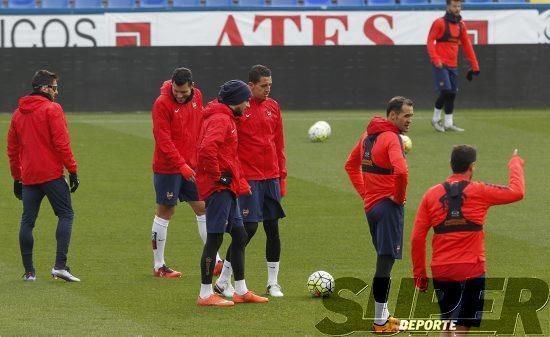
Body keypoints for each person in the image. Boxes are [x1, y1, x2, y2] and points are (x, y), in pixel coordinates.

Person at [411, 146, 524, 336]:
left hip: (441, 269)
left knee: (446, 323)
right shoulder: (480, 190)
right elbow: (517, 191)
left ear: (451, 165)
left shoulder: (431, 194)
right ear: (472, 166)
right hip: (471, 269)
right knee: (462, 327)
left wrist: (420, 276)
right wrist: (515, 163)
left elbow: (417, 237)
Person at [214, 65, 287, 298]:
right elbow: (229, 144)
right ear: (251, 85)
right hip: (249, 179)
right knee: (248, 230)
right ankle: (225, 278)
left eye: (270, 85)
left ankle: (273, 283)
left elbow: (279, 144)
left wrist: (281, 177)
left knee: (273, 228)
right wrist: (237, 176)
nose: (268, 90)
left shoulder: (273, 107)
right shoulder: (239, 110)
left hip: (271, 177)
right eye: (263, 85)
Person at [195, 80, 269, 307]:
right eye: (246, 100)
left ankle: (240, 290)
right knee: (215, 238)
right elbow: (207, 148)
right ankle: (205, 294)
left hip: (228, 186)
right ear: (236, 100)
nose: (248, 104)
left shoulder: (226, 117)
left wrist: (237, 181)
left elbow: (224, 153)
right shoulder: (221, 119)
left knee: (240, 235)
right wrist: (219, 176)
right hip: (219, 188)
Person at [344, 96, 414, 333]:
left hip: (372, 208)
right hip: (388, 208)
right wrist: (399, 196)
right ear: (392, 115)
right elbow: (402, 172)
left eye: (411, 116)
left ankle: (383, 315)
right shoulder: (391, 138)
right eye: (406, 116)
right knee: (385, 264)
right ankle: (380, 322)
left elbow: (350, 165)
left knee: (384, 261)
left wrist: (365, 193)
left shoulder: (368, 135)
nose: (409, 120)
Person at [7, 69, 80, 282]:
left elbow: (12, 149)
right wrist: (73, 170)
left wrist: (16, 177)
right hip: (52, 175)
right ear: (44, 88)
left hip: (29, 177)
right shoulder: (52, 109)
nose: (57, 92)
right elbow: (62, 144)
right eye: (55, 88)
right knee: (66, 214)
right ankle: (59, 266)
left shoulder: (17, 113)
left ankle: (29, 273)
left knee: (27, 222)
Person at [151, 67, 224, 278]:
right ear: (172, 85)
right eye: (176, 91)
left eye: (183, 92)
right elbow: (163, 139)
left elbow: (199, 123)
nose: (179, 95)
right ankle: (159, 266)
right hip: (168, 168)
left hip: (191, 166)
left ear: (192, 86)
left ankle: (216, 260)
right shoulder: (162, 103)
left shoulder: (198, 96)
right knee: (166, 212)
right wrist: (181, 164)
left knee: (202, 207)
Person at [427, 0, 480, 132]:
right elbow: (429, 41)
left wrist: (475, 65)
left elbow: (467, 45)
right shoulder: (439, 23)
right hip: (440, 64)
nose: (457, 8)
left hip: (453, 65)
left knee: (452, 94)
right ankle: (435, 119)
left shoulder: (461, 25)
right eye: (455, 6)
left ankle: (448, 123)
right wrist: (435, 59)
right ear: (448, 7)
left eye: (459, 6)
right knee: (446, 91)